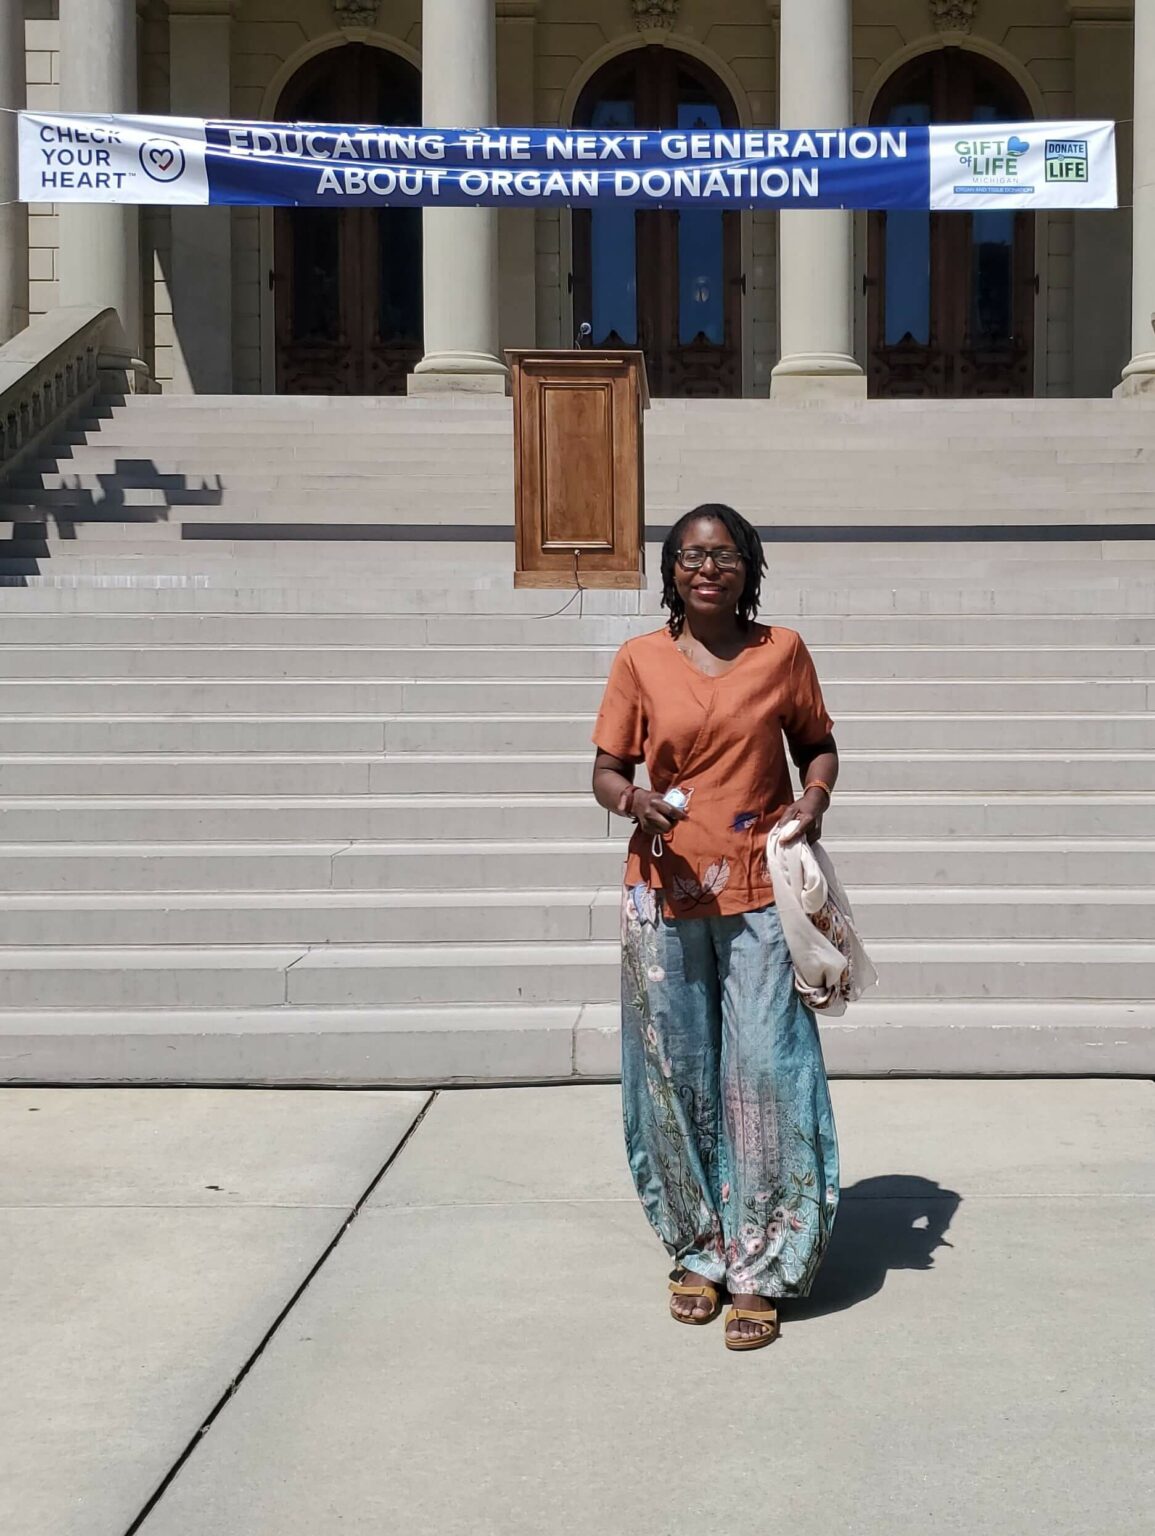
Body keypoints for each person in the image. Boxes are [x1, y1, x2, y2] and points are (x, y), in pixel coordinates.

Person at [591, 503, 840, 1353]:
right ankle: (698, 1250)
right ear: (671, 570)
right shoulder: (640, 659)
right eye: (692, 556)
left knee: (765, 1072)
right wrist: (633, 800)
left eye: (724, 554)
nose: (707, 568)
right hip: (661, 891)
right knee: (675, 1074)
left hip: (758, 890)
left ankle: (761, 1264)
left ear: (748, 566)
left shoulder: (783, 653)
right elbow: (604, 769)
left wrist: (810, 804)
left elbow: (816, 744)